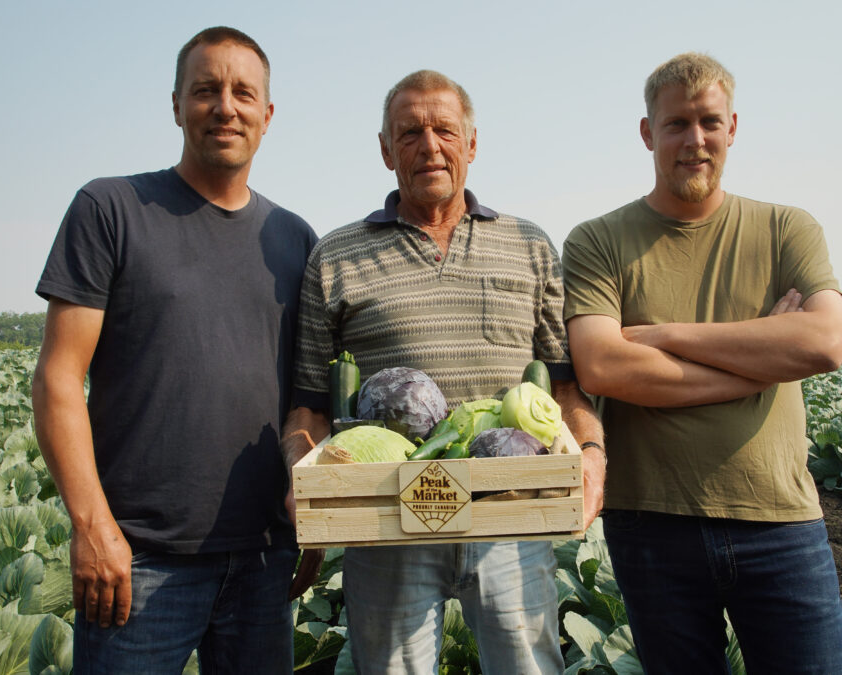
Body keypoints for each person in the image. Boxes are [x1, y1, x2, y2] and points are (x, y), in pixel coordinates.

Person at [282, 69, 606, 675]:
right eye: (409, 133)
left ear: (472, 143)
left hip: (512, 512)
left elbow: (565, 387)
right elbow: (308, 408)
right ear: (385, 150)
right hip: (386, 523)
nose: (429, 146)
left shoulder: (529, 245)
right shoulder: (335, 257)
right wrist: (300, 478)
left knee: (529, 666)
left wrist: (590, 453)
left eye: (444, 130)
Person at [31, 26, 317, 673]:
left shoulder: (294, 238)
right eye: (205, 90)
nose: (226, 107)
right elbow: (56, 379)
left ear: (268, 115)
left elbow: (307, 399)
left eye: (244, 93)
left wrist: (319, 507)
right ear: (176, 104)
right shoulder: (111, 209)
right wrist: (92, 527)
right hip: (139, 562)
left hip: (263, 560)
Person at [562, 52, 842, 674]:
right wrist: (767, 354)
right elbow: (605, 368)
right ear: (648, 133)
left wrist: (662, 334)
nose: (695, 140)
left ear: (733, 126)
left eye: (709, 122)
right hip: (651, 525)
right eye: (676, 124)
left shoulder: (786, 229)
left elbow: (825, 342)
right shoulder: (598, 240)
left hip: (780, 522)